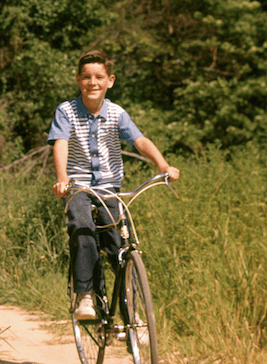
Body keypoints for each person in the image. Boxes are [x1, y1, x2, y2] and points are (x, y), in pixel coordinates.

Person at [47, 49, 180, 321]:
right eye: (86, 77)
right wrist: (62, 179)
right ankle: (85, 296)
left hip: (109, 188)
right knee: (82, 227)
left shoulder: (117, 113)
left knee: (120, 246)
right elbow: (60, 143)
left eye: (99, 77)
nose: (92, 82)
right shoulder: (66, 111)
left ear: (110, 80)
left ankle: (131, 315)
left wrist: (163, 166)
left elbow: (139, 140)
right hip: (78, 186)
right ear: (78, 80)